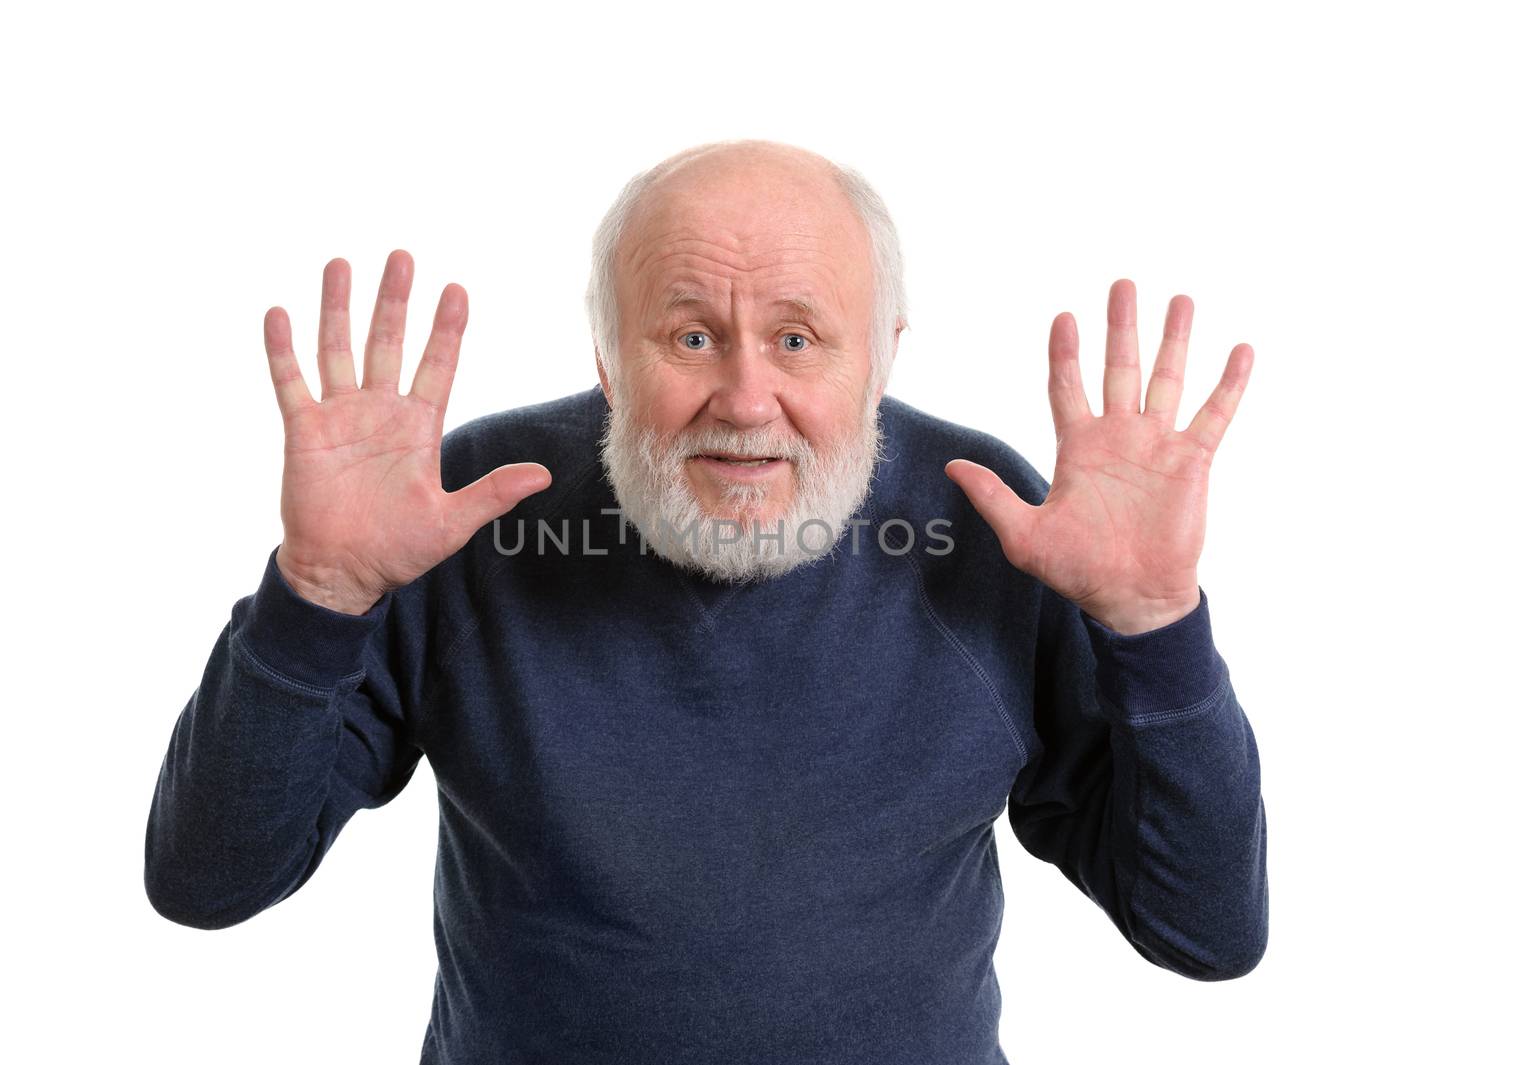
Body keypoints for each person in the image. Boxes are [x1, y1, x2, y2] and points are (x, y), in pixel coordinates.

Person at [144, 139, 1267, 1064]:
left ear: (878, 360)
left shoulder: (996, 529)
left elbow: (1204, 934)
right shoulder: (460, 514)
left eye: (796, 338)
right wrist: (318, 595)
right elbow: (207, 882)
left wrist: (1153, 625)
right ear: (605, 357)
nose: (744, 396)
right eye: (689, 335)